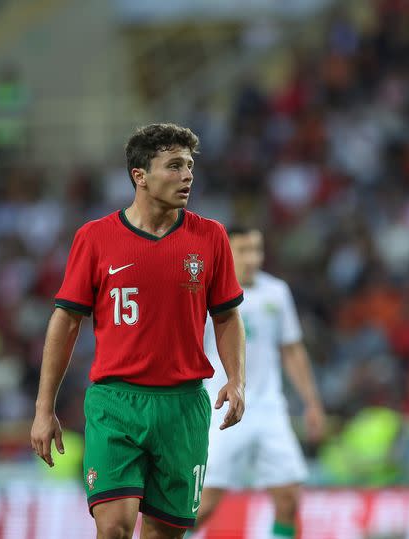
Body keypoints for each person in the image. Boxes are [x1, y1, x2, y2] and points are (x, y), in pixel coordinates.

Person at [31, 123, 247, 539]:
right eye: (174, 166)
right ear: (140, 176)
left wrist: (237, 380)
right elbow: (66, 321)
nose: (187, 176)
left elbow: (227, 316)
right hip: (116, 403)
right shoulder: (95, 238)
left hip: (183, 406)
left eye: (189, 166)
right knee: (113, 527)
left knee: (165, 534)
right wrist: (44, 408)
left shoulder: (211, 237)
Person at [196, 226, 326, 539]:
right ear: (225, 253)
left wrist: (312, 402)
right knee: (204, 503)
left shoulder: (276, 292)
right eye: (242, 250)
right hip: (219, 409)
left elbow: (292, 350)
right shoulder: (205, 293)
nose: (252, 258)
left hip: (268, 408)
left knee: (288, 497)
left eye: (256, 249)